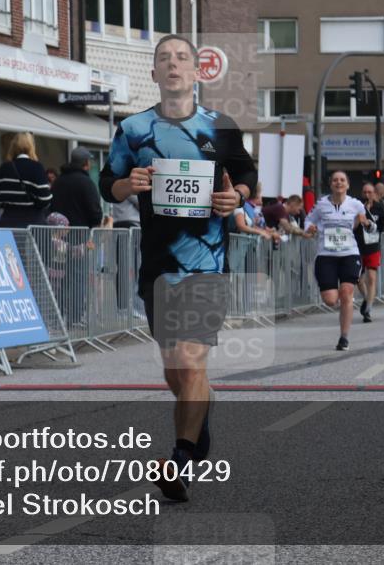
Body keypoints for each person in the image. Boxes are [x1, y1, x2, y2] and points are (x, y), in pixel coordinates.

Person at [99, 34, 256, 503]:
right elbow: (107, 183)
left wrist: (237, 198)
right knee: (176, 369)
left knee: (190, 360)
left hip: (207, 262)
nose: (172, 65)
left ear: (196, 72)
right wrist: (128, 183)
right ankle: (200, 410)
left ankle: (182, 460)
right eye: (163, 59)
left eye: (181, 58)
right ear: (153, 73)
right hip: (158, 265)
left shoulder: (219, 126)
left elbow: (246, 177)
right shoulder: (132, 129)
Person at [303, 171, 369, 349]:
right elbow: (308, 219)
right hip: (326, 256)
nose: (338, 183)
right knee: (331, 300)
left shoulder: (356, 204)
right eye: (335, 180)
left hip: (350, 254)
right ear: (331, 185)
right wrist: (309, 227)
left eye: (342, 180)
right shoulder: (321, 204)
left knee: (346, 293)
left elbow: (372, 226)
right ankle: (345, 303)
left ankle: (344, 337)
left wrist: (366, 222)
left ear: (347, 185)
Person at [0, 131, 52, 228]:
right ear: (32, 147)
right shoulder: (36, 167)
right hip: (32, 224)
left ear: (13, 147)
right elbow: (45, 199)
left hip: (8, 222)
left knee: (9, 244)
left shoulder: (4, 168)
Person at [355, 181, 384, 324]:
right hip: (357, 247)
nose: (367, 195)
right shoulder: (356, 206)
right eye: (364, 192)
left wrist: (378, 226)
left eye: (369, 192)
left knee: (371, 277)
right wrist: (359, 218)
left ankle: (368, 310)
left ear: (374, 194)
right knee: (357, 279)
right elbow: (350, 226)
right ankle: (366, 298)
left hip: (372, 247)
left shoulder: (379, 207)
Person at [52, 146, 103, 228]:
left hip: (59, 233)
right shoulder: (86, 182)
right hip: (82, 234)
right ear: (86, 163)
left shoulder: (58, 181)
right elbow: (95, 211)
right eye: (90, 161)